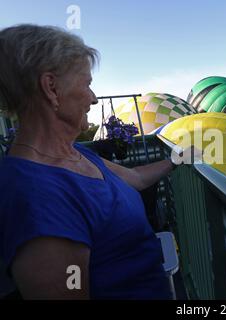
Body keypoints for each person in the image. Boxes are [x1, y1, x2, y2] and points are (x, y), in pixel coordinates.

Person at [0, 25, 185, 300]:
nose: (94, 98)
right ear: (51, 88)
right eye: (86, 84)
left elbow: (135, 178)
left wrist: (177, 159)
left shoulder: (76, 154)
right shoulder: (38, 197)